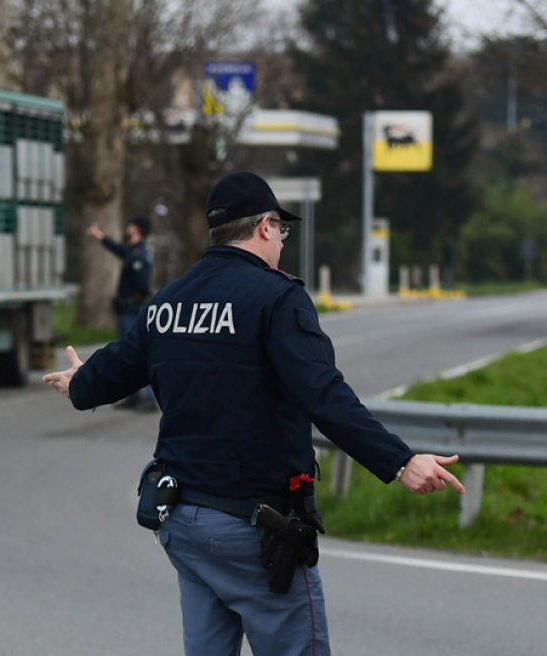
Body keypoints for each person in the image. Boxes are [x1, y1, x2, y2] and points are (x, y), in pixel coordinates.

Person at [44, 171, 465, 656]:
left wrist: (79, 382)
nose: (282, 242)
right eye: (281, 231)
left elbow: (111, 372)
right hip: (254, 531)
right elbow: (323, 393)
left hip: (183, 521)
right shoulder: (275, 298)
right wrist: (399, 461)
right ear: (265, 226)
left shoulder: (167, 302)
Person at [86, 216, 156, 410]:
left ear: (137, 229)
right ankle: (132, 394)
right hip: (126, 308)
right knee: (127, 353)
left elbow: (143, 283)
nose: (128, 226)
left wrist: (141, 297)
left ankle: (149, 397)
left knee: (139, 350)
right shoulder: (132, 251)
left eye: (132, 224)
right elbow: (118, 250)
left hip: (133, 308)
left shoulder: (140, 253)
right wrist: (100, 237)